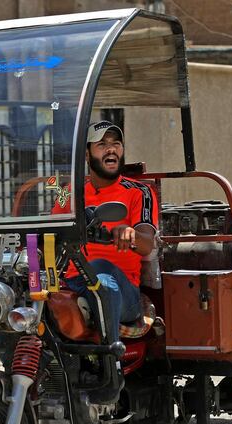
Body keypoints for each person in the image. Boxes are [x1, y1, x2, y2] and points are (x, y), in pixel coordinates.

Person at [53, 120, 158, 343]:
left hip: (123, 291)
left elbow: (148, 243)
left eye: (116, 144)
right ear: (87, 155)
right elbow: (51, 232)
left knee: (100, 269)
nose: (111, 149)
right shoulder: (69, 192)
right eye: (101, 144)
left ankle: (111, 357)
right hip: (73, 283)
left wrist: (130, 233)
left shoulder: (139, 192)